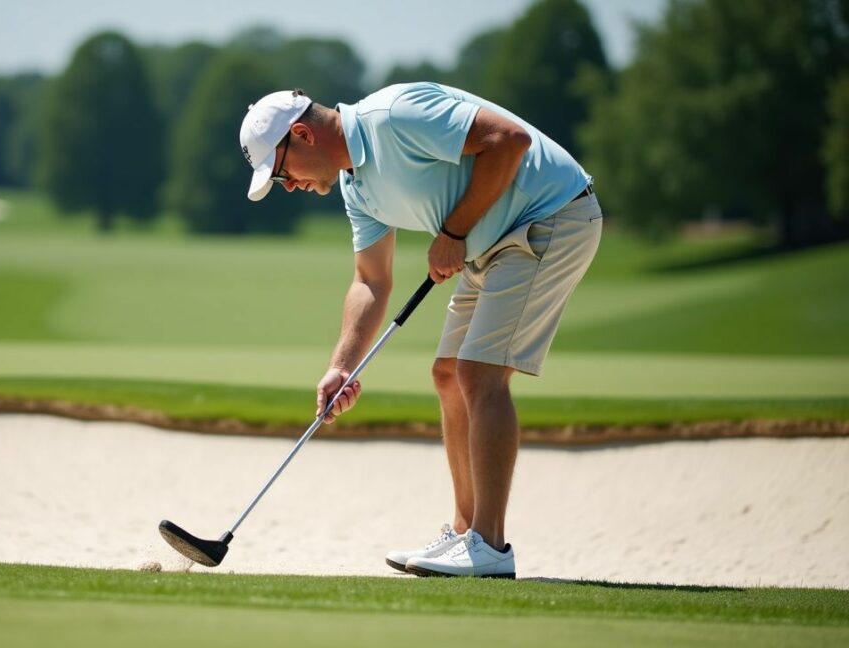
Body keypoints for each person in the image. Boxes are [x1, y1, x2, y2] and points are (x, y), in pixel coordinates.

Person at [239, 84, 602, 578]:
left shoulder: (395, 116)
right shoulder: (356, 188)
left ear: (301, 134)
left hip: (551, 215)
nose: (289, 185)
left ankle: (489, 548)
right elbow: (371, 279)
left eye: (282, 173)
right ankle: (463, 534)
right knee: (449, 374)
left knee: (478, 375)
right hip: (490, 244)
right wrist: (341, 366)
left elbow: (509, 141)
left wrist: (453, 232)